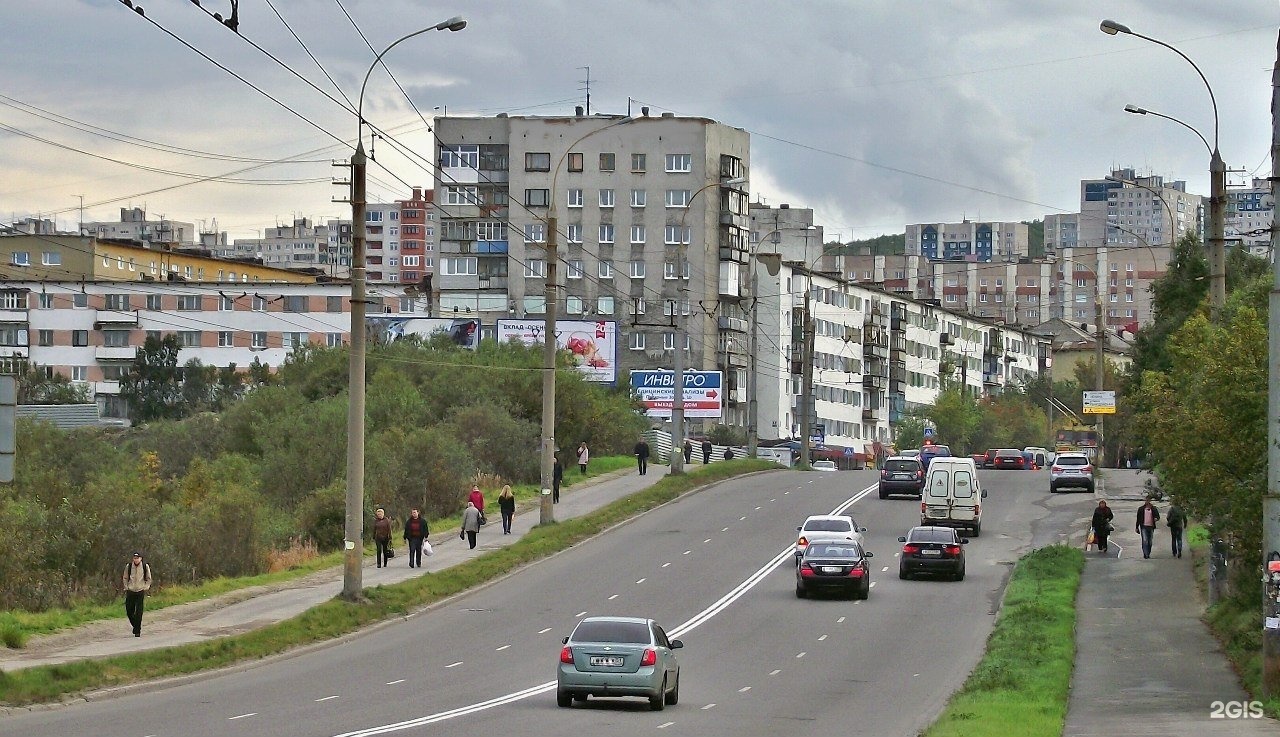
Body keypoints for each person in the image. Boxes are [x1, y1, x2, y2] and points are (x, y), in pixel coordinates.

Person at [122, 552, 152, 637]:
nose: (136, 559)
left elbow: (149, 579)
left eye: (137, 558)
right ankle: (135, 625)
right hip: (130, 591)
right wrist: (126, 587)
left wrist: (146, 587)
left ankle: (137, 631)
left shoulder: (145, 566)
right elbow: (125, 577)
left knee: (139, 612)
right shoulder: (129, 566)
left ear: (141, 558)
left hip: (140, 591)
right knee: (129, 611)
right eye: (134, 558)